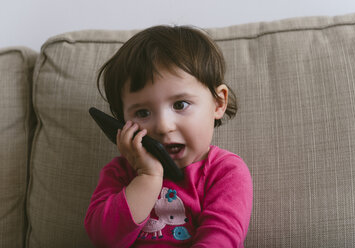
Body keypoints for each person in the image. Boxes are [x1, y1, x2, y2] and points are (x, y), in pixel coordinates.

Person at [84, 25, 253, 247]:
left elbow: (220, 240)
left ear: (218, 103)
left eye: (180, 104)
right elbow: (104, 239)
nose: (163, 126)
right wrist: (147, 177)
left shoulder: (225, 172)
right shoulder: (120, 173)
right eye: (143, 113)